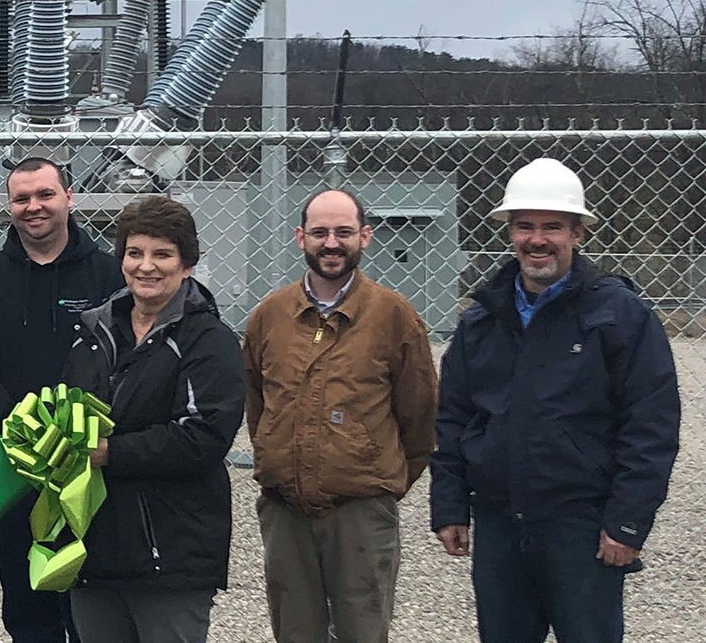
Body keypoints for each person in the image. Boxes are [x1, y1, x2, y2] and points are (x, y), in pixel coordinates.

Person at [430, 157, 681, 643]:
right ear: (509, 232)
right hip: (500, 522)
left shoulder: (619, 316)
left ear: (578, 233)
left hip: (582, 526)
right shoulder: (482, 320)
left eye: (553, 227)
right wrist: (451, 507)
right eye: (525, 226)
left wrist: (627, 522)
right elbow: (454, 417)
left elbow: (651, 425)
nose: (537, 239)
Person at [242, 189, 438, 643]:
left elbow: (420, 417)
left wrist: (373, 476)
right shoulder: (270, 316)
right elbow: (258, 405)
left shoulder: (394, 317)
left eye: (344, 232)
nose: (332, 243)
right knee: (294, 633)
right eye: (320, 232)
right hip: (285, 511)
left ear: (365, 237)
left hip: (361, 511)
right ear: (300, 237)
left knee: (363, 632)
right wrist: (278, 456)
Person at [0, 156, 122, 643]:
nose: (33, 207)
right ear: (9, 207)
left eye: (45, 195)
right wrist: (23, 427)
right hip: (13, 465)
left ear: (69, 198)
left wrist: (75, 434)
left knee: (91, 600)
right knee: (26, 602)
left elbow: (125, 362)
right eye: (21, 198)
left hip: (89, 466)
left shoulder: (109, 275)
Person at [57, 195, 244, 643]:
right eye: (135, 253)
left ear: (188, 263)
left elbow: (203, 437)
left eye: (162, 254)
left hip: (170, 554)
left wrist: (109, 452)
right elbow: (68, 412)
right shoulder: (94, 336)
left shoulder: (209, 341)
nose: (146, 266)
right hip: (96, 549)